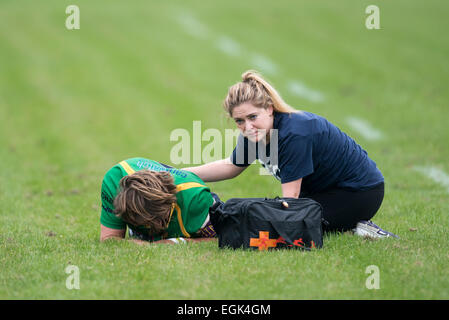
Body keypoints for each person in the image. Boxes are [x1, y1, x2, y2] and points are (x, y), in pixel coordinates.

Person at [184, 70, 398, 239]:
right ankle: (342, 224)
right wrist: (177, 173)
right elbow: (231, 167)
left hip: (359, 193)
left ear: (269, 108)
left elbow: (290, 203)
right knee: (266, 217)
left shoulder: (295, 133)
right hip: (321, 193)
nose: (247, 126)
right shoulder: (255, 133)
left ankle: (356, 224)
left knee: (275, 226)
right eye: (239, 121)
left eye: (252, 116)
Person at [100, 157, 218, 245]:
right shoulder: (113, 181)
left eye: (159, 221)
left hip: (190, 203)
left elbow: (220, 240)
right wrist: (138, 244)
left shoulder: (197, 200)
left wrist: (177, 242)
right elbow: (109, 240)